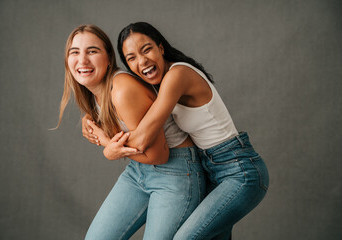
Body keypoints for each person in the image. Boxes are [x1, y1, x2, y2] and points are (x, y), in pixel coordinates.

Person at [112, 22, 269, 240]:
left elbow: (143, 137)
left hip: (239, 171)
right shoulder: (160, 83)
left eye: (146, 49)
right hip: (211, 171)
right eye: (131, 58)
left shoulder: (178, 75)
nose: (142, 61)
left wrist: (107, 144)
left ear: (161, 48)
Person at [57, 24, 205, 240]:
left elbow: (159, 156)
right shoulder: (97, 92)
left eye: (92, 51)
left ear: (109, 59)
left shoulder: (122, 89)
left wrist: (108, 146)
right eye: (74, 52)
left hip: (176, 172)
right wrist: (89, 118)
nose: (82, 60)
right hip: (139, 171)